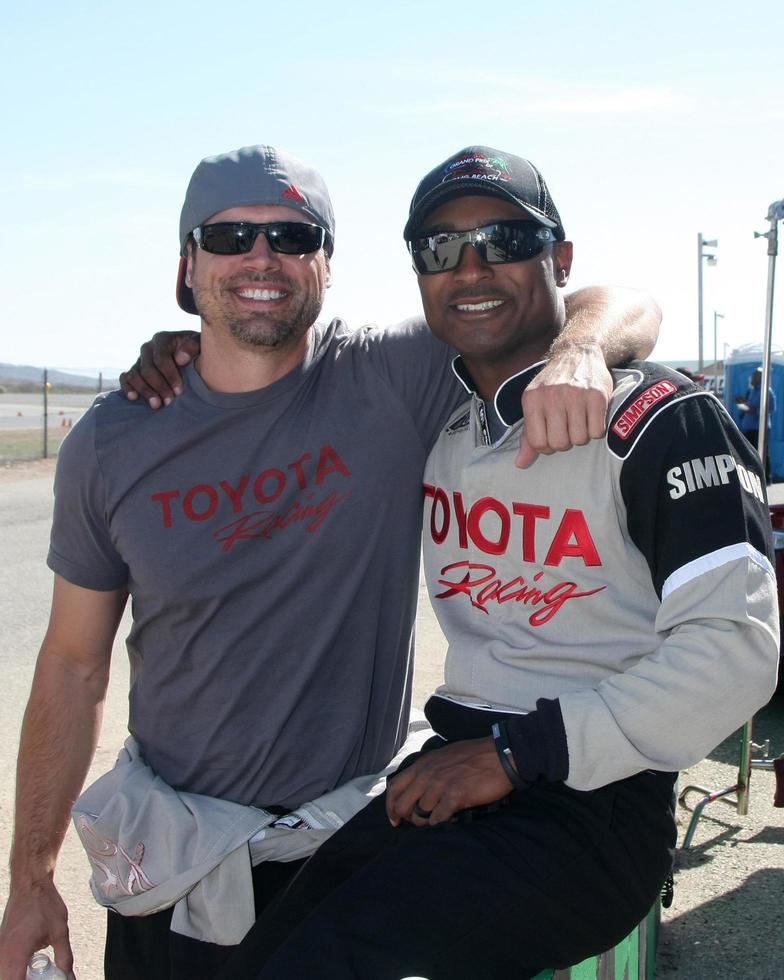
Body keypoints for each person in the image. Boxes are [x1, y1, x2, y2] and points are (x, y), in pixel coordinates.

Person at [0, 144, 661, 980]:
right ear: (187, 263)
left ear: (327, 263)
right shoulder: (112, 439)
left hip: (348, 854)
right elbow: (69, 665)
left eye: (291, 233)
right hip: (175, 861)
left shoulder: (393, 375)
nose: (261, 258)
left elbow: (620, 300)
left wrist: (580, 350)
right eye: (230, 237)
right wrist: (30, 881)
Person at [216, 147, 780, 980]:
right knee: (262, 953)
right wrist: (178, 350)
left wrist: (519, 755)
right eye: (440, 250)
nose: (471, 267)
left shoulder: (660, 420)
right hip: (454, 761)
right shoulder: (447, 424)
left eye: (504, 239)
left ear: (559, 259)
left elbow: (738, 657)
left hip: (589, 800)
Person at [735, 366, 777, 481]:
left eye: (755, 376)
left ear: (760, 378)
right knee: (749, 452)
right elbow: (749, 404)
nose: (752, 378)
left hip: (759, 427)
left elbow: (771, 408)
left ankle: (767, 477)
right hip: (748, 426)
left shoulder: (767, 391)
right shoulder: (752, 390)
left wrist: (754, 410)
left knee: (763, 452)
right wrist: (743, 404)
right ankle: (753, 476)